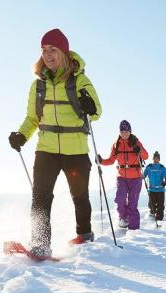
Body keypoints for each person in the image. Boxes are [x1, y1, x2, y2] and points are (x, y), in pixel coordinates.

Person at [8, 28, 102, 257]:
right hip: (46, 148)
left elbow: (97, 112)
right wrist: (21, 135)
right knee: (40, 197)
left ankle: (85, 235)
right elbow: (32, 119)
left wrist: (89, 105)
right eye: (43, 50)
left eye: (52, 49)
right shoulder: (38, 85)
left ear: (64, 52)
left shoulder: (80, 80)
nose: (47, 55)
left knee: (79, 196)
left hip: (76, 148)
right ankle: (40, 244)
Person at [97, 120, 148, 230]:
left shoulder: (136, 142)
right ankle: (123, 218)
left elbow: (146, 156)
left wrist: (139, 150)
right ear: (119, 132)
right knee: (119, 200)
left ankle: (134, 230)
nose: (124, 133)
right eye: (122, 131)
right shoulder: (116, 145)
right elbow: (111, 160)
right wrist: (101, 161)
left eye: (127, 131)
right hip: (121, 178)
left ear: (130, 131)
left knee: (132, 204)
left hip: (136, 178)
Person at [143, 151, 166, 221]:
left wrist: (165, 182)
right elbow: (144, 175)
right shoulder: (149, 167)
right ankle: (153, 214)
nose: (156, 159)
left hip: (160, 190)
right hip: (152, 189)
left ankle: (160, 219)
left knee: (160, 206)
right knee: (151, 205)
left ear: (159, 159)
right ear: (153, 159)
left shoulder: (162, 168)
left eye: (157, 158)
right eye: (155, 158)